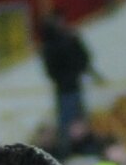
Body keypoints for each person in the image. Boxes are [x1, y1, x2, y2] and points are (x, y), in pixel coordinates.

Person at [39, 12, 101, 154]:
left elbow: (82, 59)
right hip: (66, 87)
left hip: (69, 87)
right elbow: (81, 59)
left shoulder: (57, 42)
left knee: (75, 121)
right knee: (70, 121)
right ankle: (70, 150)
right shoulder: (58, 43)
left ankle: (78, 149)